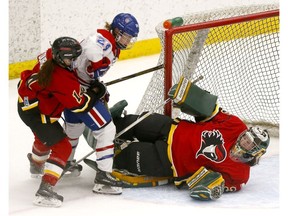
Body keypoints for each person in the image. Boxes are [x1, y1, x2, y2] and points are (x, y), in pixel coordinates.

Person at [110, 81, 270, 201]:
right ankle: (106, 126)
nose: (244, 140)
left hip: (170, 162)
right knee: (135, 122)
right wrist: (191, 97)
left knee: (129, 156)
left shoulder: (240, 175)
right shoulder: (236, 125)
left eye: (250, 143)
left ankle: (110, 154)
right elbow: (211, 111)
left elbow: (218, 184)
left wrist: (211, 187)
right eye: (246, 137)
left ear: (255, 152)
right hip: (172, 129)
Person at [17, 36, 106, 207]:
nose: (73, 62)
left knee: (44, 137)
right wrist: (95, 92)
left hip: (27, 102)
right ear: (59, 57)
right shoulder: (61, 78)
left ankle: (36, 164)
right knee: (62, 146)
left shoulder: (51, 55)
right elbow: (80, 105)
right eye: (70, 59)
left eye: (74, 58)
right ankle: (45, 189)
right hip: (37, 112)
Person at [62, 13, 139, 194]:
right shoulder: (103, 39)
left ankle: (64, 163)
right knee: (106, 129)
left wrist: (96, 82)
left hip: (74, 87)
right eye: (127, 36)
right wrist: (96, 67)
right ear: (118, 32)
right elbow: (90, 48)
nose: (129, 41)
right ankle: (103, 177)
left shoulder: (112, 43)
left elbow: (88, 67)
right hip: (80, 92)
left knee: (74, 128)